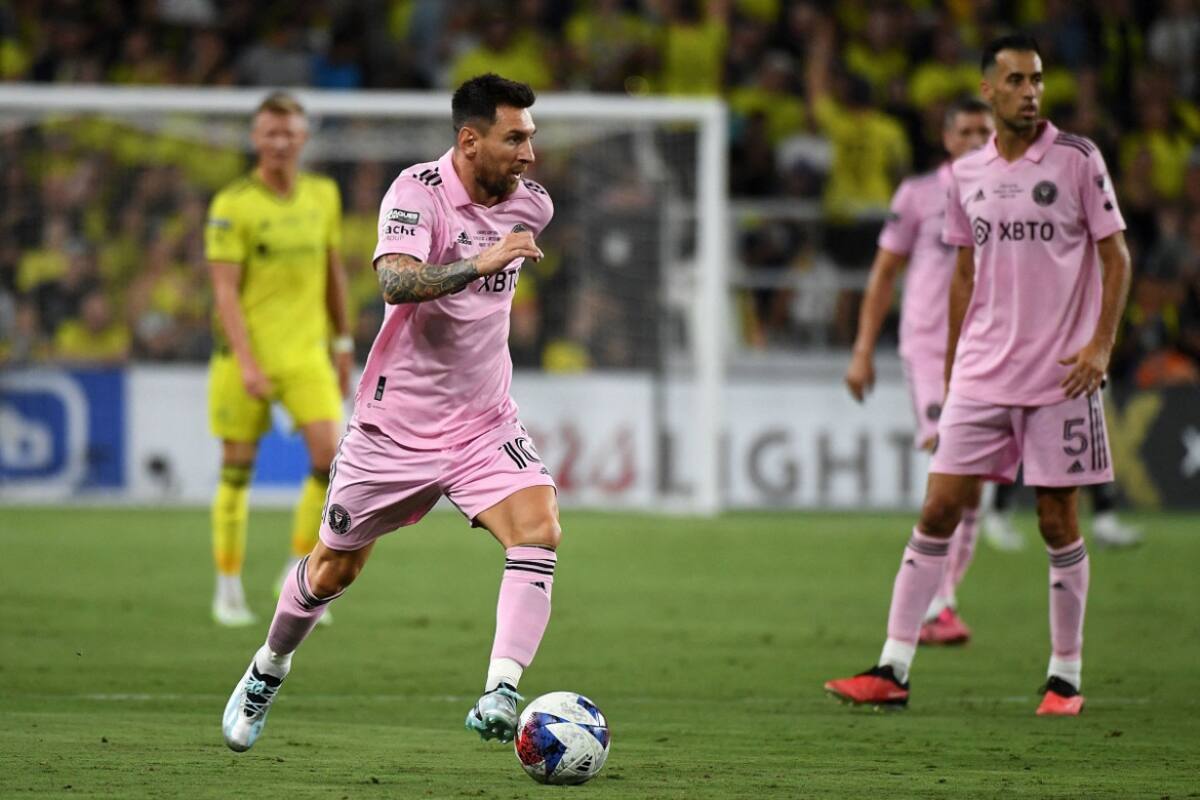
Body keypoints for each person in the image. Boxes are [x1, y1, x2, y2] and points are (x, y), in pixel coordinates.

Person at [221, 74, 558, 753]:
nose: (529, 153)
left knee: (539, 528)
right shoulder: (416, 193)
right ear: (470, 140)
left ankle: (500, 688)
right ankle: (268, 669)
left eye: (531, 137)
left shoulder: (533, 205)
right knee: (330, 572)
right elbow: (395, 280)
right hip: (394, 428)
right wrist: (478, 260)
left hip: (483, 421)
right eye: (515, 137)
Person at [825, 34, 1132, 716]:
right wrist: (953, 363)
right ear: (989, 91)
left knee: (1057, 520)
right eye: (1016, 80)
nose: (1030, 90)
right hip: (981, 376)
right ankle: (892, 667)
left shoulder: (1079, 160)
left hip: (1061, 378)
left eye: (1038, 79)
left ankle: (1065, 677)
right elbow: (965, 270)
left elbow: (1117, 258)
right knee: (937, 508)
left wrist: (1100, 347)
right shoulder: (967, 177)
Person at [845, 97, 994, 646]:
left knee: (972, 485)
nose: (979, 138)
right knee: (948, 454)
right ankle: (941, 603)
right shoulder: (918, 194)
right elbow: (884, 272)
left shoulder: (1011, 195)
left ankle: (943, 598)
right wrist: (863, 349)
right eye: (969, 130)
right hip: (931, 346)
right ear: (947, 137)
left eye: (987, 129)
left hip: (991, 349)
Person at [205, 92, 353, 627]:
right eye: (270, 131)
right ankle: (227, 586)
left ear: (304, 137)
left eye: (289, 131)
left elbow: (333, 273)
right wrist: (247, 362)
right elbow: (224, 292)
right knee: (237, 471)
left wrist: (342, 344)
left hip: (308, 353)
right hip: (244, 358)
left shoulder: (323, 195)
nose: (280, 141)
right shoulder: (232, 204)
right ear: (254, 138)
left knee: (329, 460)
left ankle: (298, 568)